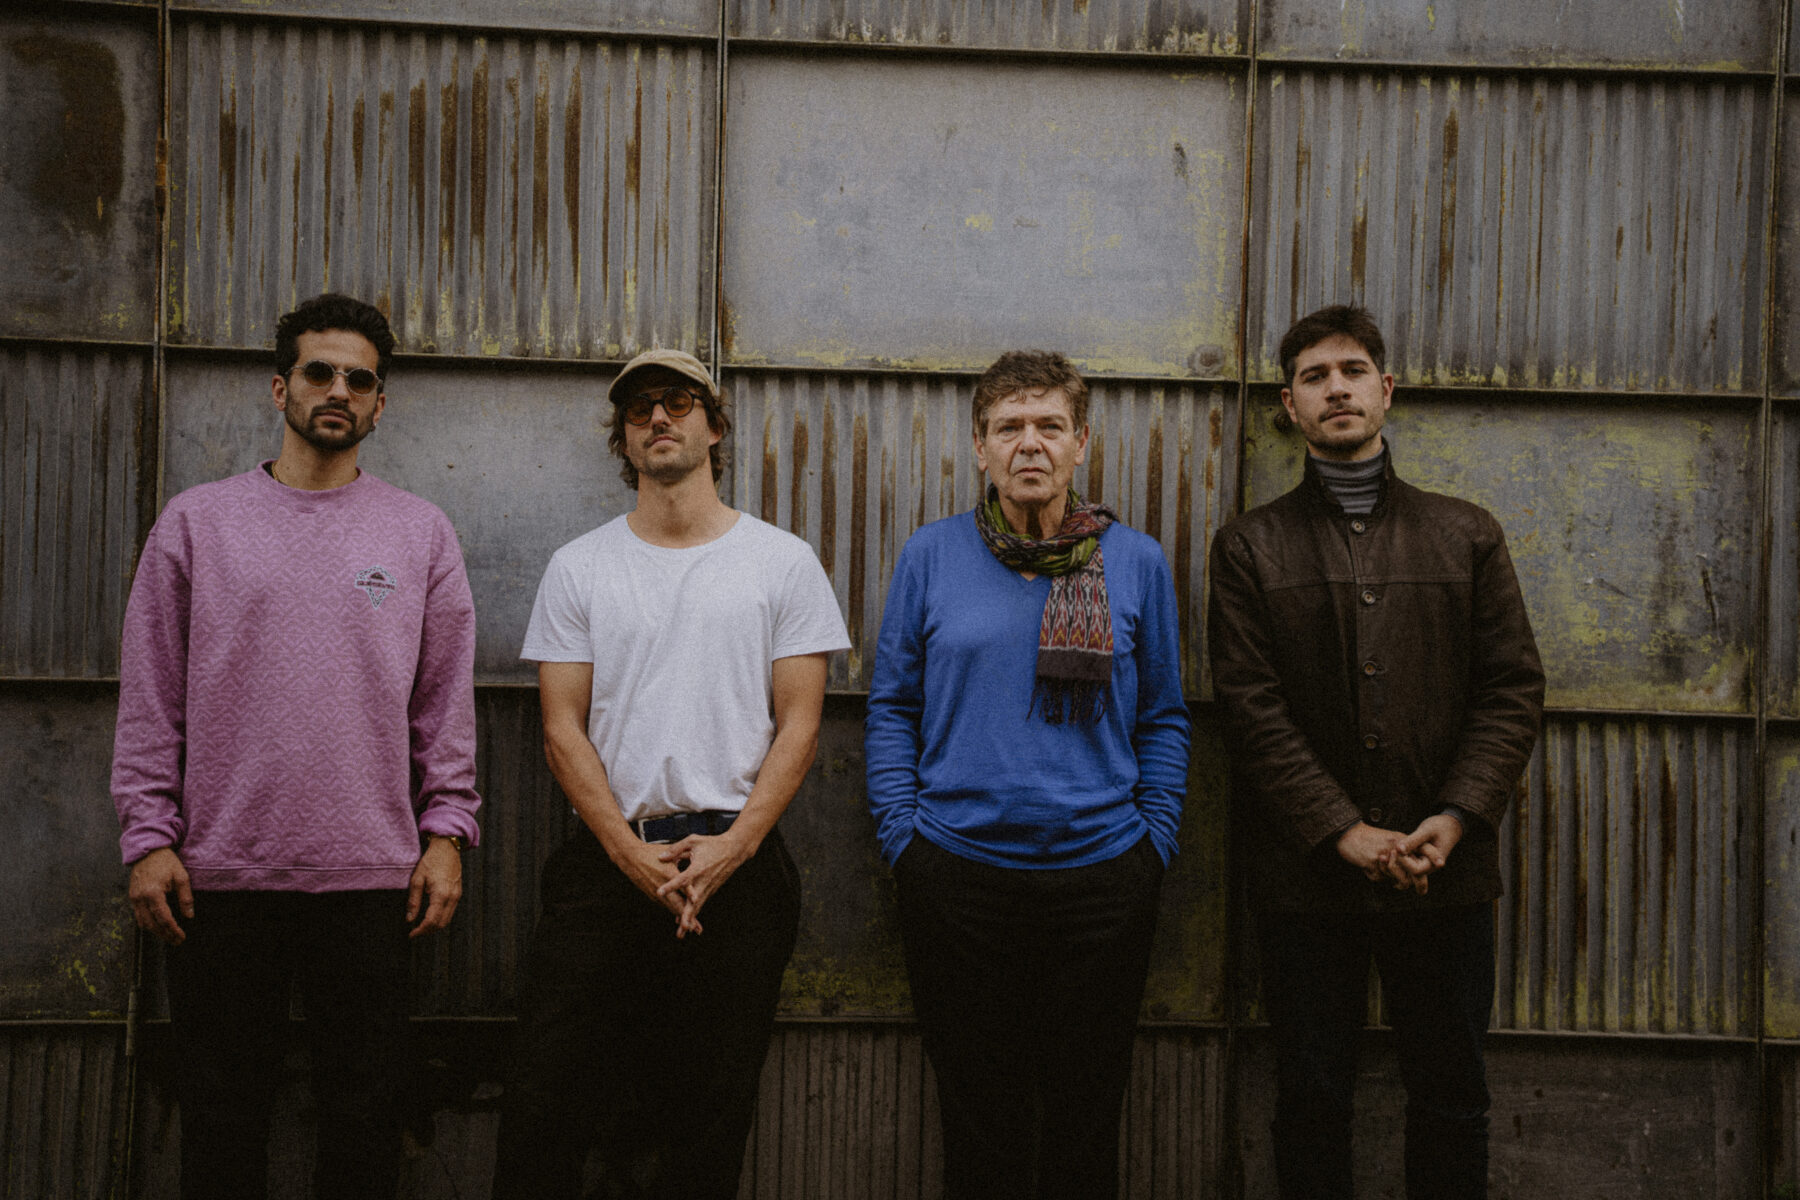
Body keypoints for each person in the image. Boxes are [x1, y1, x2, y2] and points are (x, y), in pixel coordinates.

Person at [110, 293, 481, 1200]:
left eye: (360, 380)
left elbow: (444, 703)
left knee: (364, 1122)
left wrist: (447, 833)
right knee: (221, 1122)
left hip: (372, 881)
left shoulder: (419, 531)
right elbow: (151, 694)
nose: (338, 390)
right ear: (281, 387)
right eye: (320, 372)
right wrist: (148, 837)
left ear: (380, 405)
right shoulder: (196, 524)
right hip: (218, 878)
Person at [492, 349, 850, 1199]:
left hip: (738, 868)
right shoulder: (581, 566)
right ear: (622, 438)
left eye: (679, 402)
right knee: (545, 1103)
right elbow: (562, 729)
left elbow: (800, 724)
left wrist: (735, 848)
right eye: (639, 407)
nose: (658, 417)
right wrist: (628, 855)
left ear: (714, 427)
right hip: (608, 862)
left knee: (707, 1117)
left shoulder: (782, 561)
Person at [1208, 304, 1545, 1200]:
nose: (1336, 389)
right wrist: (1340, 829)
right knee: (1312, 1097)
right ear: (1289, 405)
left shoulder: (1466, 533)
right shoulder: (1249, 546)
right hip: (1307, 880)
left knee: (1451, 1095)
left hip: (1447, 874)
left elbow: (1512, 689)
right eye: (1314, 377)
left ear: (1386, 390)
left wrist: (1456, 816)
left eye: (1353, 371)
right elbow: (1249, 707)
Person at [864, 349, 1190, 1200]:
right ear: (980, 448)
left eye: (1050, 425)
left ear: (1082, 443)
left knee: (1087, 1119)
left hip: (1103, 879)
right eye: (1009, 427)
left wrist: (1152, 845)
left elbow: (1164, 715)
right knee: (980, 1122)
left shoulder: (1136, 561)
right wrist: (906, 843)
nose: (1030, 444)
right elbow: (892, 707)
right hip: (957, 877)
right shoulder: (931, 555)